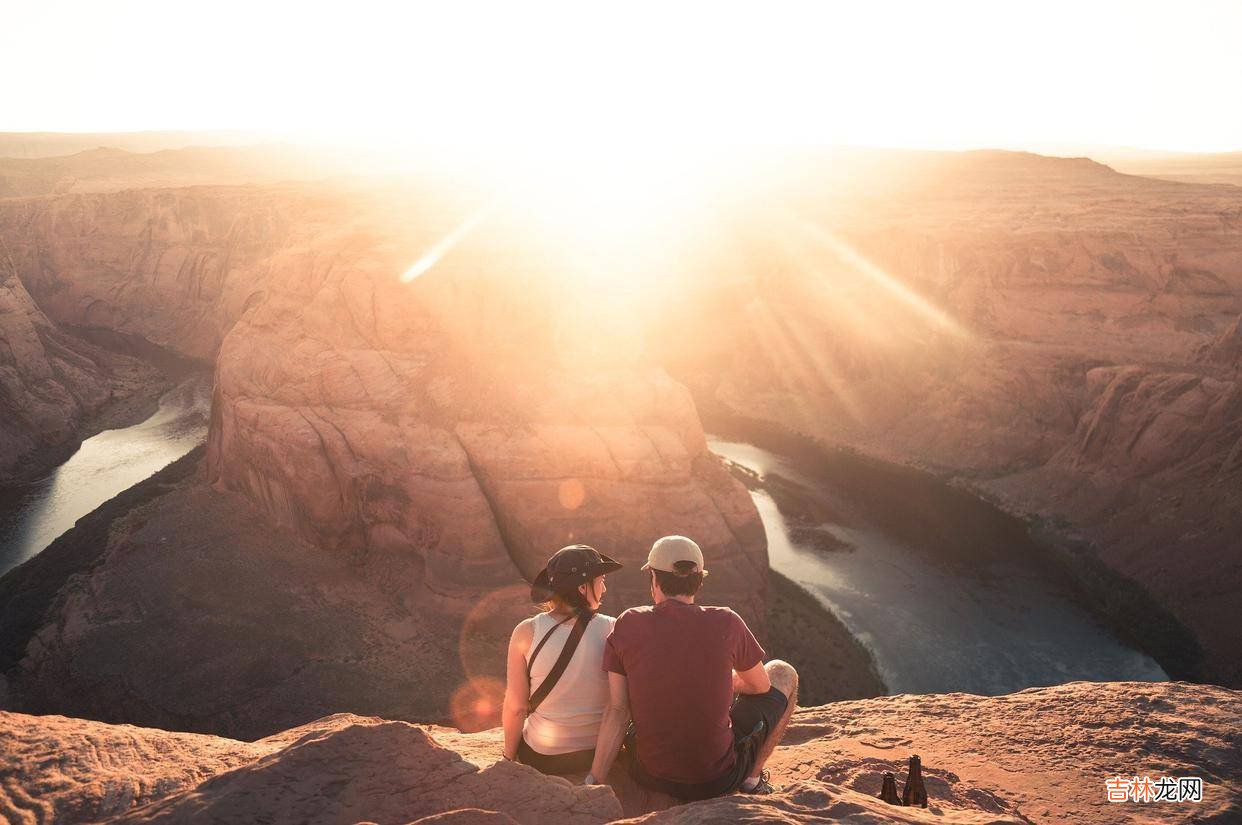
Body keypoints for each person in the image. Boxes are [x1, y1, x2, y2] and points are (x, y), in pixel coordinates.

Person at [586, 535, 798, 798]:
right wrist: (726, 680)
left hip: (648, 775)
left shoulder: (628, 622)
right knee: (783, 672)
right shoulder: (727, 622)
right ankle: (752, 782)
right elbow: (761, 685)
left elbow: (618, 709)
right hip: (716, 780)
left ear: (654, 578)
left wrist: (594, 782)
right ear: (699, 581)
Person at [501, 544, 623, 775]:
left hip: (543, 756)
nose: (604, 588)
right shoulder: (614, 628)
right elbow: (619, 706)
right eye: (601, 580)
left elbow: (516, 707)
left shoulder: (526, 631)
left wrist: (508, 757)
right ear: (582, 587)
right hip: (595, 753)